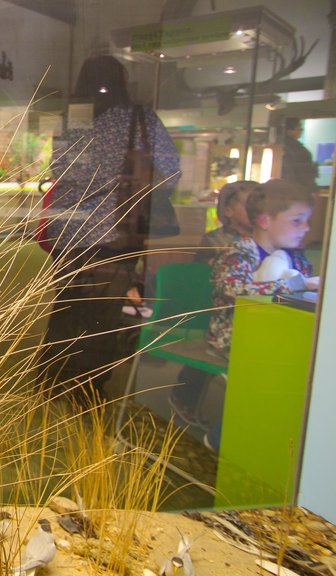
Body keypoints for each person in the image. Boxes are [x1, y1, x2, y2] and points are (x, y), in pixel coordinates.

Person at [41, 54, 180, 401]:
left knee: (68, 302)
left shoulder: (71, 118)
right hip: (115, 230)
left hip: (69, 231)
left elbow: (61, 170)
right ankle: (87, 387)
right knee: (102, 311)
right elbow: (170, 170)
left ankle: (52, 377)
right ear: (122, 81)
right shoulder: (139, 119)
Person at [199, 179, 319, 450]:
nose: (306, 228)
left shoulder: (293, 256)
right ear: (265, 220)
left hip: (271, 335)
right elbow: (235, 287)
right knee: (283, 369)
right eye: (297, 220)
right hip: (234, 337)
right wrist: (299, 284)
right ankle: (222, 436)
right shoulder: (238, 252)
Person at [170, 180, 257, 428]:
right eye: (249, 203)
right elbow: (206, 280)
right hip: (216, 312)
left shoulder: (259, 240)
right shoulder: (217, 240)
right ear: (227, 211)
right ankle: (185, 396)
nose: (255, 209)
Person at [280, 118, 318, 189]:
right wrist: (313, 189)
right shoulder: (299, 150)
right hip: (296, 189)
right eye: (300, 129)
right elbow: (305, 175)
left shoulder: (278, 146)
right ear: (290, 130)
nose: (301, 131)